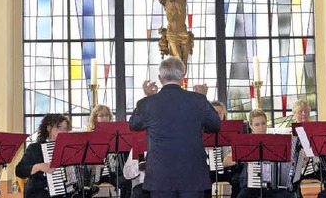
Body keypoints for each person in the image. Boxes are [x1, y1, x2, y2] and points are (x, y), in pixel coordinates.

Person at [129, 56, 221, 198]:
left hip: (160, 176)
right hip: (192, 175)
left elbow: (134, 125)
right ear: (183, 76)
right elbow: (215, 125)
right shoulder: (197, 100)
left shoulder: (147, 103)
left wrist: (147, 96)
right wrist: (203, 98)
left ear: (160, 78)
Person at [129, 0, 223, 69]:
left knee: (185, 61)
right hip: (172, 34)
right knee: (178, 59)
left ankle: (180, 83)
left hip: (184, 33)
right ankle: (176, 82)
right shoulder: (165, 1)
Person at [233, 109, 291, 198]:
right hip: (252, 186)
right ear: (251, 126)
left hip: (274, 187)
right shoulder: (245, 142)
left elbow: (288, 159)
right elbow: (227, 160)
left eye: (263, 123)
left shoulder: (276, 141)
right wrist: (243, 159)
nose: (261, 127)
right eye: (257, 125)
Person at [288, 99, 326, 198]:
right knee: (292, 182)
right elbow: (291, 161)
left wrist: (315, 154)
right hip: (300, 170)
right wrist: (303, 161)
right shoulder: (292, 135)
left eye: (306, 111)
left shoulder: (318, 131)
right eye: (300, 112)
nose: (303, 114)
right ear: (294, 114)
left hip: (318, 168)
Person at [16, 114, 73, 198]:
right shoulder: (35, 148)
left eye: (65, 129)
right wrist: (39, 167)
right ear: (49, 128)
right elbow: (19, 171)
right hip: (39, 193)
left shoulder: (69, 150)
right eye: (59, 128)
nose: (62, 132)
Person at [87, 105, 131, 198]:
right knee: (86, 187)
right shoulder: (91, 134)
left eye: (106, 115)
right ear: (95, 118)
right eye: (101, 115)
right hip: (97, 172)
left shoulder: (117, 133)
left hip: (115, 172)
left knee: (126, 182)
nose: (104, 118)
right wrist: (96, 161)